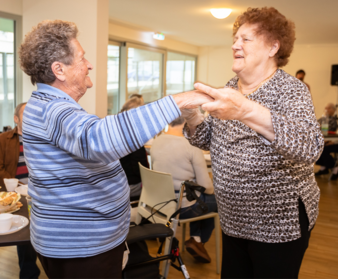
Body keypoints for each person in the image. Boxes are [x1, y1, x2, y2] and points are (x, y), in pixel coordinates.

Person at [19, 20, 212, 279]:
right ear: (59, 70)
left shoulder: (46, 104)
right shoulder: (53, 109)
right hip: (82, 248)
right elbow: (98, 140)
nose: (89, 64)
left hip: (81, 243)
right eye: (82, 58)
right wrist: (178, 101)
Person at [182, 7, 324, 279]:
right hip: (234, 219)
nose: (235, 44)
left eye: (246, 39)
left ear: (273, 47)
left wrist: (245, 110)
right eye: (235, 38)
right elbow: (207, 139)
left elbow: (310, 147)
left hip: (278, 226)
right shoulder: (230, 87)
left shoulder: (290, 90)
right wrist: (191, 115)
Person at [151, 116, 216, 263]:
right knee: (215, 201)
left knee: (196, 195)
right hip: (182, 208)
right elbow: (206, 187)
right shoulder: (191, 145)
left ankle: (196, 238)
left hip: (160, 204)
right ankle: (198, 241)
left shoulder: (157, 140)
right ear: (188, 121)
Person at [0, 102, 41, 279]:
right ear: (16, 118)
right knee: (26, 231)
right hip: (16, 196)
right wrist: (18, 187)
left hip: (41, 192)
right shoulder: (1, 140)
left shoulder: (42, 138)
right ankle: (29, 274)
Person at [119, 96, 149, 199]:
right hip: (129, 187)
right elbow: (140, 170)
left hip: (116, 183)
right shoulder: (135, 138)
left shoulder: (118, 130)